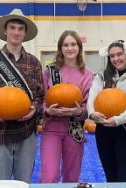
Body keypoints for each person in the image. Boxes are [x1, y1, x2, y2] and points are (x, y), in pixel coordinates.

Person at [0, 8, 44, 182]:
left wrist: (34, 110)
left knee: (23, 182)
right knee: (0, 182)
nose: (16, 32)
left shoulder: (34, 62)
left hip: (26, 131)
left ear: (25, 33)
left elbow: (40, 96)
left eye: (20, 29)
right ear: (5, 31)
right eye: (12, 27)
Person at [39, 30, 93, 183]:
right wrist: (47, 110)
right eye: (66, 45)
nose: (70, 48)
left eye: (73, 44)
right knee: (49, 175)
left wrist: (79, 112)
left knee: (72, 176)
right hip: (52, 128)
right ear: (60, 48)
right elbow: (41, 98)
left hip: (75, 129)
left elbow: (89, 105)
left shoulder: (87, 73)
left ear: (79, 47)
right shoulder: (49, 71)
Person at [87, 40, 126, 182]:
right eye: (112, 56)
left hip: (125, 130)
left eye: (119, 54)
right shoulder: (102, 76)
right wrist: (92, 113)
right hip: (103, 129)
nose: (116, 59)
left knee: (124, 176)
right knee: (110, 175)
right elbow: (93, 95)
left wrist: (118, 119)